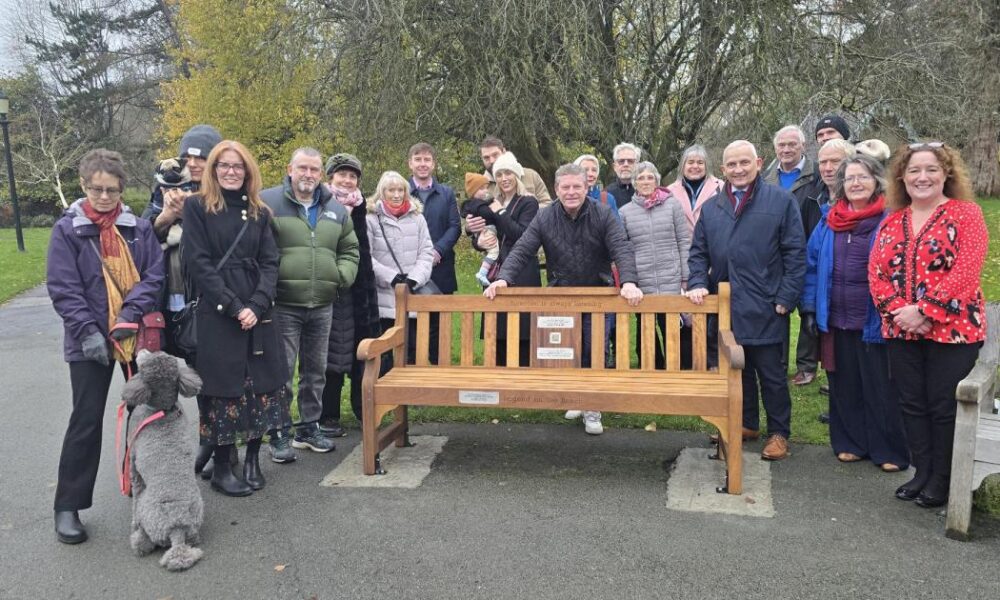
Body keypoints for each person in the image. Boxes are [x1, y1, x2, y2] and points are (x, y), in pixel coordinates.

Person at [47, 149, 165, 544]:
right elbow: (63, 287)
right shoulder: (69, 230)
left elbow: (153, 276)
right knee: (86, 419)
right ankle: (68, 505)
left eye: (111, 191)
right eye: (96, 189)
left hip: (132, 334)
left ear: (121, 189)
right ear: (83, 186)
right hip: (89, 340)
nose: (103, 197)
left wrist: (130, 314)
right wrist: (87, 331)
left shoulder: (137, 228)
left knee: (146, 414)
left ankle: (148, 487)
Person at [869, 142, 988, 508]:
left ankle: (943, 478)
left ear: (946, 174)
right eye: (914, 171)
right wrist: (899, 311)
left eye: (931, 170)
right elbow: (876, 273)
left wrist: (925, 310)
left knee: (942, 405)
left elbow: (966, 271)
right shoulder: (892, 220)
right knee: (911, 403)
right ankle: (921, 471)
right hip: (901, 329)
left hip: (953, 333)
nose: (922, 177)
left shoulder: (966, 215)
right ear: (902, 177)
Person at [484, 163, 643, 435]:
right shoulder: (545, 217)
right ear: (557, 189)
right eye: (565, 187)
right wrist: (503, 278)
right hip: (562, 295)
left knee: (595, 352)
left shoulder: (603, 214)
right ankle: (575, 399)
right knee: (568, 352)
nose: (571, 192)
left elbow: (621, 248)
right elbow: (523, 248)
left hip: (597, 294)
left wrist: (628, 281)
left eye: (577, 186)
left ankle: (592, 408)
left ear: (586, 188)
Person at [686, 140, 806, 461]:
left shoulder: (780, 201)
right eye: (732, 165)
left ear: (758, 162)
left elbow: (795, 253)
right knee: (737, 370)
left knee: (771, 374)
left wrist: (786, 296)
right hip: (726, 304)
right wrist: (698, 283)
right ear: (723, 169)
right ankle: (747, 424)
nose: (738, 170)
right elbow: (697, 253)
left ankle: (779, 433)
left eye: (744, 163)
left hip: (766, 303)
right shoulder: (712, 208)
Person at [182, 140, 289, 497]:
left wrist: (257, 305)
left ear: (247, 172)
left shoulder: (259, 212)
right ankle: (223, 466)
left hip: (259, 313)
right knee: (224, 391)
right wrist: (233, 306)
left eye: (237, 166)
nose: (231, 172)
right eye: (224, 166)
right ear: (213, 170)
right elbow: (198, 262)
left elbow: (271, 261)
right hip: (219, 312)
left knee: (261, 387)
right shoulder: (197, 207)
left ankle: (253, 460)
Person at [801, 155, 908, 472]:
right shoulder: (828, 221)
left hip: (875, 319)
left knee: (881, 387)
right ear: (841, 186)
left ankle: (889, 450)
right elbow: (811, 266)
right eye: (850, 179)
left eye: (863, 177)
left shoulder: (890, 220)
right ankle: (850, 442)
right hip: (835, 317)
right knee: (843, 384)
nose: (856, 183)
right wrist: (808, 308)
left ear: (876, 180)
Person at [261, 148, 359, 462]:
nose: (308, 175)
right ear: (290, 169)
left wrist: (339, 276)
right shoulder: (269, 202)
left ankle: (308, 427)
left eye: (314, 170)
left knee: (315, 371)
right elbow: (257, 249)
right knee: (282, 371)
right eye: (302, 168)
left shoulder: (335, 209)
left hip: (322, 303)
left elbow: (350, 249)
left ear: (321, 174)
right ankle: (278, 432)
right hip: (283, 303)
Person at [142, 125, 222, 355]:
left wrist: (192, 214)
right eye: (188, 157)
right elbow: (142, 237)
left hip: (205, 299)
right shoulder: (164, 188)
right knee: (165, 377)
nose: (194, 164)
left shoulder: (223, 193)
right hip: (166, 295)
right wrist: (166, 217)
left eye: (201, 158)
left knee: (207, 377)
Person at [320, 153, 382, 437]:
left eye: (353, 176)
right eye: (342, 174)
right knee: (331, 354)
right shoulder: (321, 205)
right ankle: (327, 414)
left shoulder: (361, 207)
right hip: (330, 287)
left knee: (361, 350)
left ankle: (363, 409)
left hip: (360, 289)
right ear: (331, 177)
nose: (347, 180)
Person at [466, 153, 542, 367]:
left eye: (508, 173)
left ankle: (524, 371)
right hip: (497, 268)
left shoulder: (529, 203)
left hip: (523, 271)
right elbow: (485, 234)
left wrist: (499, 212)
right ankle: (497, 370)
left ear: (517, 175)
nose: (504, 178)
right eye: (499, 174)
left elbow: (521, 235)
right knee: (497, 323)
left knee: (523, 325)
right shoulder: (491, 202)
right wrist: (477, 240)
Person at [763, 125, 822, 387]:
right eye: (781, 145)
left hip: (808, 248)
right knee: (779, 308)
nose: (786, 150)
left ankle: (807, 366)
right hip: (776, 255)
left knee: (807, 310)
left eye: (791, 145)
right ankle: (779, 363)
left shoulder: (815, 175)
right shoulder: (767, 178)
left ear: (803, 146)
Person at [619, 161, 692, 370]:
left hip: (671, 277)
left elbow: (683, 241)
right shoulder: (625, 212)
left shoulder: (672, 205)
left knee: (672, 327)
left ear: (657, 181)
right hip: (643, 282)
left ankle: (678, 369)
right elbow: (624, 250)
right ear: (634, 182)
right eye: (640, 178)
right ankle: (651, 370)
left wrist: (686, 277)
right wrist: (630, 281)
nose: (645, 181)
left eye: (649, 177)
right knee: (646, 329)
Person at [367, 171, 436, 363]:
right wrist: (391, 277)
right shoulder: (371, 219)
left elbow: (426, 251)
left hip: (412, 294)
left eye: (400, 190)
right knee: (386, 355)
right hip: (384, 298)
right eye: (391, 190)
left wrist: (415, 278)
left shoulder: (417, 218)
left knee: (412, 352)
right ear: (382, 192)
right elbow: (367, 257)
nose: (396, 195)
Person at [665, 144, 724, 233]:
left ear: (706, 166)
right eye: (691, 162)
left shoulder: (720, 187)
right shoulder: (669, 191)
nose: (695, 166)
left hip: (713, 245)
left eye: (700, 163)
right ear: (683, 166)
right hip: (683, 246)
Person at [479, 136, 552, 206]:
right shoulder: (480, 186)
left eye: (495, 155)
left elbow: (547, 204)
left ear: (504, 152)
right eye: (486, 158)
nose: (492, 161)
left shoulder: (530, 175)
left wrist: (528, 210)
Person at [461, 172, 499, 286]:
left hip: (483, 231)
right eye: (482, 189)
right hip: (488, 230)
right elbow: (489, 214)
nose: (486, 191)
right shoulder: (479, 206)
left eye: (486, 188)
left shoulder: (471, 205)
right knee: (494, 251)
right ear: (473, 192)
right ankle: (483, 272)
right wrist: (497, 210)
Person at [605, 143, 642, 209]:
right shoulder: (605, 195)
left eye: (630, 161)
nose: (626, 164)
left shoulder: (647, 191)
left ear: (637, 165)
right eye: (621, 161)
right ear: (614, 167)